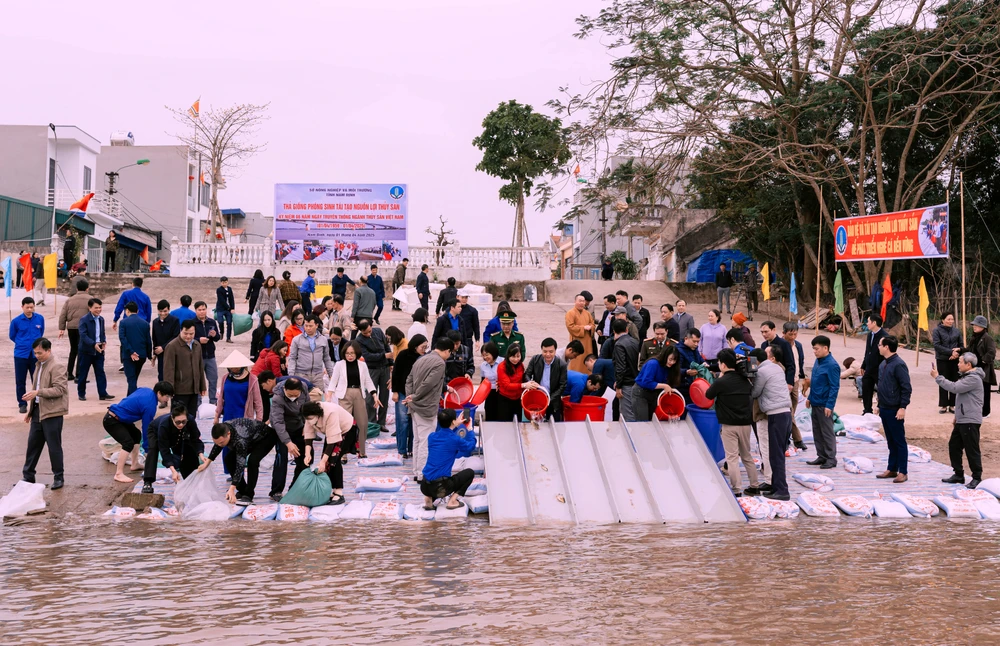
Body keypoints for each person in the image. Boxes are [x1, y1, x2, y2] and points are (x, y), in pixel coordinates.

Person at [705, 349, 758, 496]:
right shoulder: (745, 380)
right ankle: (754, 486)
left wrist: (720, 377)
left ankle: (736, 489)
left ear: (722, 365)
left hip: (729, 425)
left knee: (732, 458)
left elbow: (708, 395)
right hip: (745, 424)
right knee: (747, 456)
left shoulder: (721, 382)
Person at [21, 338, 68, 490]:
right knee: (32, 446)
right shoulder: (38, 365)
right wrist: (31, 411)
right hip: (38, 412)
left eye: (40, 353)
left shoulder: (57, 366)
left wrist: (38, 393)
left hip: (52, 413)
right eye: (35, 353)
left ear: (49, 350)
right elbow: (36, 389)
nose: (37, 356)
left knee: (54, 447)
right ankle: (28, 476)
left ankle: (59, 477)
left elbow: (60, 390)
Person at [105, 382, 174, 484]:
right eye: (167, 396)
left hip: (121, 419)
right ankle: (118, 473)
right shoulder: (150, 405)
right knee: (128, 443)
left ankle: (135, 464)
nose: (168, 399)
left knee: (136, 435)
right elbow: (147, 428)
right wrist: (147, 449)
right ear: (159, 393)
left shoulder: (146, 390)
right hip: (112, 421)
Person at [934, 353, 985, 489]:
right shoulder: (967, 376)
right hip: (962, 419)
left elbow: (954, 388)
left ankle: (977, 477)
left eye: (960, 362)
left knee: (971, 449)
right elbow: (962, 399)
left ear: (968, 365)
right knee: (954, 446)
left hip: (970, 420)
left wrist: (938, 377)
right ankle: (958, 474)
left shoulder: (973, 378)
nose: (958, 364)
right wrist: (957, 416)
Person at [405, 337, 454, 479]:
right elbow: (428, 384)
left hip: (414, 406)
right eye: (450, 353)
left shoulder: (421, 359)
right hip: (426, 407)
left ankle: (416, 471)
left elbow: (409, 380)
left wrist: (410, 397)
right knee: (425, 441)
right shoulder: (439, 363)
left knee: (417, 440)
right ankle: (422, 474)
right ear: (447, 351)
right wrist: (414, 396)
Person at [751, 346, 793, 500]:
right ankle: (775, 486)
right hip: (785, 413)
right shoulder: (776, 368)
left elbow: (755, 392)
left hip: (777, 415)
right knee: (777, 454)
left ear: (756, 360)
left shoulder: (762, 371)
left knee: (776, 455)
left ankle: (782, 491)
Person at [205, 418, 278, 505]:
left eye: (222, 442)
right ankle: (242, 490)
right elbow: (218, 445)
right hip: (251, 438)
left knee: (252, 461)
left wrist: (232, 488)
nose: (220, 445)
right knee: (229, 459)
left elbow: (240, 464)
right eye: (217, 443)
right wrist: (207, 463)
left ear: (228, 434)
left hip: (266, 437)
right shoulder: (223, 429)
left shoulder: (240, 440)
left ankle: (248, 494)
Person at [302, 401, 358, 505]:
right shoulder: (309, 414)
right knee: (327, 461)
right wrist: (307, 453)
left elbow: (332, 441)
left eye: (311, 418)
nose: (309, 421)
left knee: (333, 460)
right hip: (331, 434)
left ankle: (339, 493)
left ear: (318, 415)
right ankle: (332, 490)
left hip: (346, 430)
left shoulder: (330, 413)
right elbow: (308, 434)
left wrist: (323, 461)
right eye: (307, 419)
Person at [420, 408, 478, 510]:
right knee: (469, 473)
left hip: (424, 485)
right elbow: (470, 446)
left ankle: (429, 498)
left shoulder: (432, 436)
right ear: (453, 421)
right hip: (441, 487)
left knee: (435, 477)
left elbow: (446, 435)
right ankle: (452, 501)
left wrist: (455, 425)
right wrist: (470, 430)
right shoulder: (454, 440)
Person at [329, 341, 378, 458]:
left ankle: (362, 451)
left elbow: (368, 381)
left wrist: (374, 395)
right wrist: (329, 396)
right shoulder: (339, 365)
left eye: (352, 353)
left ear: (357, 353)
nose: (350, 356)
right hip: (344, 395)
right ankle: (342, 454)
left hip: (359, 394)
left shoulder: (362, 365)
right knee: (344, 425)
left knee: (363, 424)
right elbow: (333, 381)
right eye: (347, 353)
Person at [874, 335, 911, 483]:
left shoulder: (898, 364)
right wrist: (879, 404)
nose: (878, 347)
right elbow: (881, 385)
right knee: (890, 440)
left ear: (886, 347)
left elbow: (906, 387)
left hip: (895, 408)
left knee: (899, 440)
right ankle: (892, 468)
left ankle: (903, 471)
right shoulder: (883, 363)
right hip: (884, 407)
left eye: (880, 345)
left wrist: (902, 407)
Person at [269, 377, 309, 499]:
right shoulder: (277, 398)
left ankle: (296, 488)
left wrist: (306, 425)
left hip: (299, 426)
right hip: (282, 429)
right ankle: (276, 491)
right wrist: (288, 442)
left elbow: (307, 408)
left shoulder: (304, 388)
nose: (293, 397)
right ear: (284, 389)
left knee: (305, 457)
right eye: (290, 395)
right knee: (282, 458)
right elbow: (278, 422)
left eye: (296, 395)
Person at [806, 335, 840, 469]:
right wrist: (809, 397)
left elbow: (834, 387)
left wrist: (829, 405)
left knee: (827, 432)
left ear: (825, 348)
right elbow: (815, 382)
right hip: (815, 401)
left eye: (817, 349)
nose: (815, 351)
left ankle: (831, 458)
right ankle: (821, 456)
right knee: (817, 431)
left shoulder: (832, 365)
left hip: (824, 404)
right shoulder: (818, 361)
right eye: (813, 349)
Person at [153, 403, 206, 485]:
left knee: (188, 450)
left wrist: (201, 455)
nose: (181, 424)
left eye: (184, 422)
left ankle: (190, 480)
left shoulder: (190, 420)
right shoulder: (164, 425)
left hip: (179, 434)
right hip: (155, 431)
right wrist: (173, 471)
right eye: (178, 422)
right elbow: (164, 449)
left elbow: (195, 439)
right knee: (153, 450)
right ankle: (148, 481)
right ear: (172, 418)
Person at [393, 334, 427, 458]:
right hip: (402, 392)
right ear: (415, 346)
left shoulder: (424, 358)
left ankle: (412, 448)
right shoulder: (403, 355)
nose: (424, 349)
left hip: (417, 395)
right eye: (422, 347)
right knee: (403, 421)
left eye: (426, 347)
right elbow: (396, 373)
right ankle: (402, 450)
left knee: (414, 421)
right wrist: (395, 391)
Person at [163, 320, 207, 415]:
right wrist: (169, 390)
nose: (188, 336)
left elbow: (200, 367)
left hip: (194, 389)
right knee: (178, 416)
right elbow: (168, 370)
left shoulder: (197, 345)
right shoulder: (172, 346)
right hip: (179, 390)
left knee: (191, 416)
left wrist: (202, 386)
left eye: (191, 334)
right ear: (180, 331)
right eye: (185, 333)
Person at [355, 319, 392, 431]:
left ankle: (382, 422)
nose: (368, 334)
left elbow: (386, 347)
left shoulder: (378, 331)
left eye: (369, 331)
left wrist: (391, 363)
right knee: (371, 397)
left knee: (384, 395)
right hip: (372, 369)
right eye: (365, 333)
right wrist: (384, 356)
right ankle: (372, 422)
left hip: (385, 368)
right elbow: (367, 356)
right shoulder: (359, 340)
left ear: (371, 326)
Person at [10, 297, 45, 413]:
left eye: (31, 307)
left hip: (36, 355)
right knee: (20, 380)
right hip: (21, 355)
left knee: (36, 379)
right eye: (27, 307)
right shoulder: (16, 321)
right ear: (22, 307)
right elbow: (12, 335)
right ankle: (22, 403)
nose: (30, 309)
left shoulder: (40, 318)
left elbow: (41, 333)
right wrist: (22, 343)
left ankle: (37, 402)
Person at [77, 298, 113, 402]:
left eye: (100, 307)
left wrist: (103, 341)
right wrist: (93, 344)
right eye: (96, 308)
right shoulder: (84, 320)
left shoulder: (101, 319)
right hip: (86, 351)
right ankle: (81, 393)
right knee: (83, 373)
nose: (98, 310)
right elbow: (83, 335)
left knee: (100, 372)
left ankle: (102, 393)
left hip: (99, 350)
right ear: (90, 308)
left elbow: (102, 332)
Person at [632, 345, 680, 421]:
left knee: (653, 420)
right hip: (641, 393)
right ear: (665, 356)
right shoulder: (653, 363)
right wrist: (664, 386)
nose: (672, 362)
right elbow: (646, 382)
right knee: (643, 421)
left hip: (654, 394)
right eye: (670, 359)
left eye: (674, 360)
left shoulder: (670, 367)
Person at [523, 338, 567, 421]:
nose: (548, 354)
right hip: (537, 398)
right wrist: (530, 383)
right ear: (541, 350)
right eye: (545, 351)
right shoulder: (535, 359)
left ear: (555, 351)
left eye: (551, 352)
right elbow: (527, 374)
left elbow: (562, 385)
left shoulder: (561, 365)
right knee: (535, 424)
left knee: (554, 424)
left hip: (553, 400)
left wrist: (549, 398)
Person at [214, 350, 264, 423]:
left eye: (236, 367)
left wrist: (258, 420)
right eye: (232, 367)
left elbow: (258, 402)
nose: (234, 369)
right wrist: (216, 416)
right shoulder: (225, 378)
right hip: (228, 417)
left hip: (244, 419)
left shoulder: (252, 379)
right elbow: (221, 399)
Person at [58, 278, 90, 383]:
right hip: (83, 328)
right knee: (82, 350)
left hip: (71, 327)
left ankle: (69, 373)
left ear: (77, 289)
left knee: (73, 350)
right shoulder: (90, 299)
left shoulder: (69, 300)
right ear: (87, 288)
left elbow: (63, 315)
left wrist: (61, 328)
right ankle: (79, 375)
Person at [288, 315, 335, 387]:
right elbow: (292, 358)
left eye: (310, 326)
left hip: (318, 375)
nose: (308, 328)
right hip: (301, 374)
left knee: (318, 393)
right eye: (306, 326)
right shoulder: (297, 339)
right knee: (302, 393)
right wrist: (291, 375)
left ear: (316, 325)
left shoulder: (323, 339)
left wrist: (331, 374)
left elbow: (326, 358)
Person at [931, 313, 962, 414]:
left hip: (955, 360)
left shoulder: (957, 331)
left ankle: (952, 405)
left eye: (952, 319)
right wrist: (950, 352)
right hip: (942, 359)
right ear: (943, 320)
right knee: (943, 381)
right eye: (948, 319)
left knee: (954, 381)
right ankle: (944, 405)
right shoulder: (937, 331)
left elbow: (961, 345)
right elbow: (937, 345)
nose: (951, 321)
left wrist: (956, 353)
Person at [119, 301, 152, 395]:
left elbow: (123, 339)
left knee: (131, 379)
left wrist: (131, 351)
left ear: (127, 311)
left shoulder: (123, 322)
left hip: (128, 356)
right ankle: (129, 397)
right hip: (141, 355)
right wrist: (149, 355)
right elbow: (148, 340)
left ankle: (133, 399)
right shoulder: (145, 323)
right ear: (137, 311)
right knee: (133, 379)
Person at [612, 319, 641, 421]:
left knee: (628, 415)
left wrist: (619, 385)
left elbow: (621, 367)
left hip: (626, 383)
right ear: (627, 329)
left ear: (614, 331)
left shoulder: (619, 345)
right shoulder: (634, 341)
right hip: (635, 381)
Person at [860, 313, 888, 415]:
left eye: (868, 321)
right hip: (869, 367)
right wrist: (864, 365)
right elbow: (867, 351)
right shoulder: (870, 335)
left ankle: (881, 409)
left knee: (882, 390)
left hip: (879, 368)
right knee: (866, 388)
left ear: (874, 323)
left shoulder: (884, 337)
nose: (867, 324)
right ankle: (867, 410)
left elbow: (886, 354)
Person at [193, 301, 221, 406]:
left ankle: (213, 401)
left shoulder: (212, 322)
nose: (202, 312)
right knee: (198, 380)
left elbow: (217, 338)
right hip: (197, 357)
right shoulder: (192, 323)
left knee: (213, 379)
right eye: (199, 310)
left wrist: (215, 335)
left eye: (203, 309)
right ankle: (198, 402)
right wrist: (198, 340)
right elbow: (188, 339)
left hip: (210, 356)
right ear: (195, 311)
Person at [969, 315, 996, 418]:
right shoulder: (974, 337)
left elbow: (991, 352)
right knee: (975, 390)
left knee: (985, 390)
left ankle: (985, 412)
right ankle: (976, 410)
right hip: (975, 368)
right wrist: (961, 350)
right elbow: (970, 349)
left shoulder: (987, 338)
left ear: (983, 327)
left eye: (976, 325)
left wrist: (982, 360)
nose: (974, 327)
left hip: (984, 369)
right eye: (974, 325)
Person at [496, 342, 528, 423]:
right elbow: (507, 385)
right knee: (505, 424)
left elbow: (523, 379)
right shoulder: (501, 367)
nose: (516, 359)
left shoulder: (521, 365)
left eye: (518, 356)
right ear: (508, 355)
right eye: (513, 356)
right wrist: (523, 385)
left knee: (518, 423)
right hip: (505, 400)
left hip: (517, 399)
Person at [151, 300, 180, 387]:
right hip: (160, 354)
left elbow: (175, 337)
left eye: (165, 311)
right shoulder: (155, 322)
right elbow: (154, 338)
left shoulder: (174, 321)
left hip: (172, 352)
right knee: (161, 375)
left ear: (169, 309)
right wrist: (154, 353)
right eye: (161, 311)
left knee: (172, 374)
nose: (163, 313)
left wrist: (163, 347)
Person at [565, 294, 596, 373]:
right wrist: (583, 328)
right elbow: (570, 327)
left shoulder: (587, 313)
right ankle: (575, 374)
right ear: (575, 301)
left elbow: (592, 324)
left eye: (583, 301)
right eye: (580, 301)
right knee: (576, 358)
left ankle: (588, 375)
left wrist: (591, 327)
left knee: (587, 358)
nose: (582, 303)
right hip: (577, 341)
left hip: (587, 341)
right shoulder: (570, 313)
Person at [676, 329, 704, 403]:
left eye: (698, 342)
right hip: (682, 386)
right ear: (686, 338)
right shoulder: (678, 351)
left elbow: (700, 360)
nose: (696, 344)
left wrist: (706, 365)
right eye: (694, 341)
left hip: (694, 385)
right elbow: (675, 370)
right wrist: (687, 372)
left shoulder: (694, 349)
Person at [480, 341, 503, 421]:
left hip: (501, 393)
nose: (485, 357)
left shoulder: (503, 362)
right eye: (483, 355)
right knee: (490, 414)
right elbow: (483, 380)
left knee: (500, 414)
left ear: (493, 352)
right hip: (489, 393)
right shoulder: (483, 365)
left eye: (487, 355)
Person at [212, 276, 236, 342]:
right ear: (221, 283)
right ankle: (221, 332)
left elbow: (231, 299)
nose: (224, 284)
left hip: (228, 309)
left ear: (227, 282)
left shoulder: (230, 289)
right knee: (220, 321)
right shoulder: (219, 290)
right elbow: (221, 300)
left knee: (229, 323)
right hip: (220, 308)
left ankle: (228, 338)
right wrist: (229, 308)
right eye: (223, 282)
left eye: (225, 282)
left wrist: (232, 308)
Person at [457, 291, 481, 357]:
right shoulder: (452, 310)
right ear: (457, 297)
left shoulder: (472, 311)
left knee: (468, 358)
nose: (464, 299)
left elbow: (476, 326)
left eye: (466, 298)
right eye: (462, 297)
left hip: (468, 339)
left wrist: (477, 340)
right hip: (455, 339)